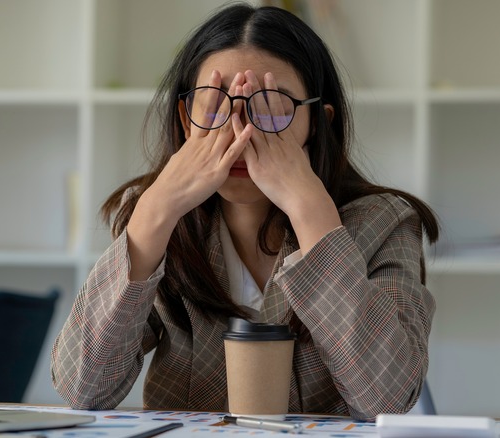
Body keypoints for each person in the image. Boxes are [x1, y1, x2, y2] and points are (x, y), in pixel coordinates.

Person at [51, 3, 439, 421]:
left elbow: (387, 399)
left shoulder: (385, 222)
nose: (239, 130)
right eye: (215, 103)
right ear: (185, 119)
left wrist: (313, 215)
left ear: (318, 123)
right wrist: (155, 211)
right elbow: (82, 389)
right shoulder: (159, 220)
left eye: (270, 106)